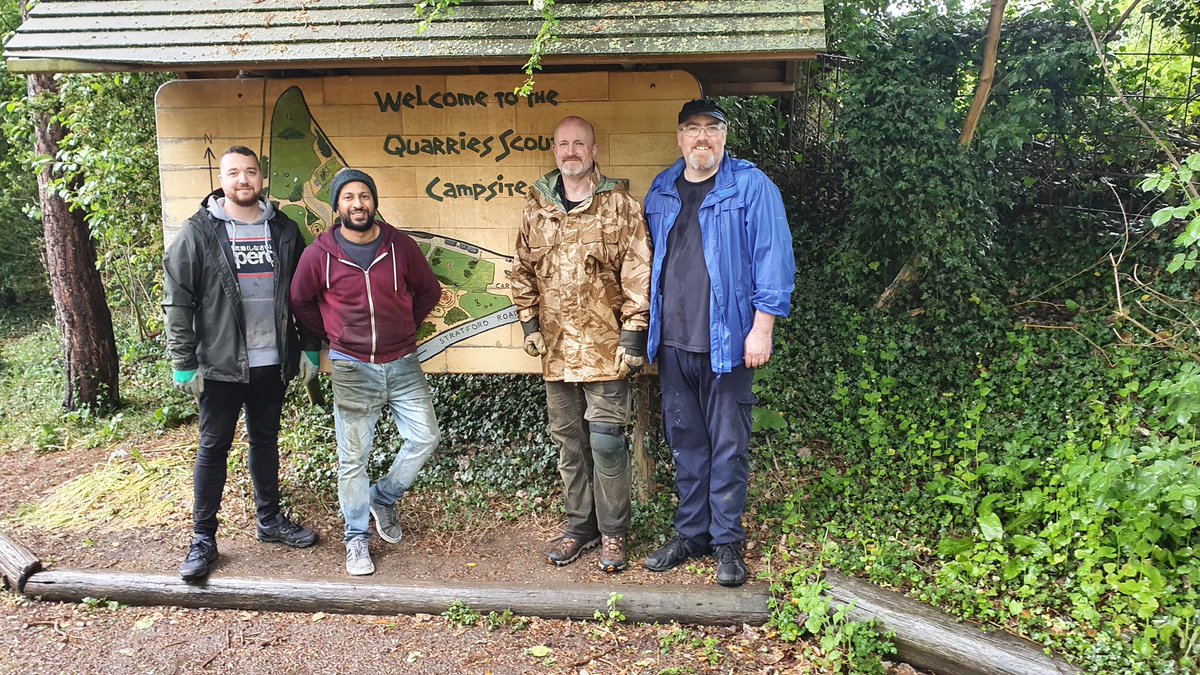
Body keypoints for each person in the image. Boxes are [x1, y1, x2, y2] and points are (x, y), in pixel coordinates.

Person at [641, 99, 796, 587]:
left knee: (729, 446)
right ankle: (692, 534)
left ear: (725, 137)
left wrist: (762, 327)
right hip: (672, 344)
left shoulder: (750, 186)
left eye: (712, 128)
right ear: (679, 138)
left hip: (729, 344)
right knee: (686, 442)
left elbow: (774, 259)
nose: (702, 138)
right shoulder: (662, 190)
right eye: (692, 129)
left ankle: (728, 540)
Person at [163, 145, 320, 583]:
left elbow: (304, 295)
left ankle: (269, 521)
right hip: (219, 363)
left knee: (265, 440)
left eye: (250, 172)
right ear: (222, 178)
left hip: (272, 361)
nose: (243, 180)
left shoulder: (285, 231)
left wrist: (308, 346)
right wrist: (184, 360)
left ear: (262, 178)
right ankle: (202, 538)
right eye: (233, 173)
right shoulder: (199, 232)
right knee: (213, 448)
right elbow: (178, 300)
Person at [512, 116, 652, 573]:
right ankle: (580, 527)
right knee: (570, 445)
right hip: (555, 352)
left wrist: (634, 335)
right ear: (554, 151)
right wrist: (530, 327)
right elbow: (522, 272)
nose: (571, 152)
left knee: (607, 443)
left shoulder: (620, 207)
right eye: (563, 144)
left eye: (579, 144)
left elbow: (638, 273)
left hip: (607, 349)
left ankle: (614, 532)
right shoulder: (536, 209)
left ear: (594, 151)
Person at [290, 169, 443, 576]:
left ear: (373, 201)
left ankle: (384, 497)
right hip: (352, 366)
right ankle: (356, 539)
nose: (358, 204)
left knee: (426, 437)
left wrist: (406, 325)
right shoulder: (319, 254)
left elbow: (430, 291)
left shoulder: (399, 247)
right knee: (353, 458)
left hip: (402, 360)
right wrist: (332, 334)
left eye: (364, 196)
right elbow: (300, 301)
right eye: (349, 198)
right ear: (337, 206)